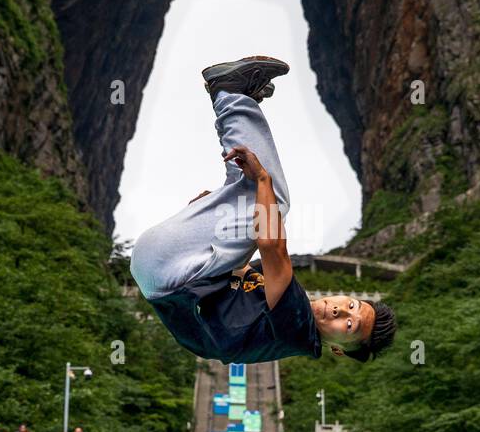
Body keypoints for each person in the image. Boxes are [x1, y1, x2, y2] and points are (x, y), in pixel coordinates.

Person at [130, 56, 397, 365]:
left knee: (274, 199)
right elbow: (237, 265)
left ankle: (231, 93)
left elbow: (270, 243)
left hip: (169, 276)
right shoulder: (282, 317)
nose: (339, 311)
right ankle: (238, 103)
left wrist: (262, 178)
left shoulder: (295, 327)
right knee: (249, 198)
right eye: (350, 305)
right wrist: (210, 209)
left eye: (348, 326)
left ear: (338, 349)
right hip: (165, 271)